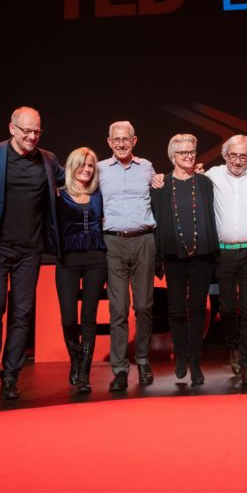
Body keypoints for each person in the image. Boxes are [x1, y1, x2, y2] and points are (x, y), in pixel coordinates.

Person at [0, 107, 64, 402]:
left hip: (30, 250)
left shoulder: (47, 160)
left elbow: (76, 178)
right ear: (12, 128)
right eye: (26, 131)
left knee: (22, 314)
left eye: (37, 131)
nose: (32, 136)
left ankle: (11, 376)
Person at [151, 134, 218, 385]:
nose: (189, 156)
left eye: (192, 152)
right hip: (174, 255)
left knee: (198, 309)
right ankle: (180, 355)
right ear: (172, 157)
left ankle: (195, 360)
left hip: (202, 254)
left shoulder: (204, 183)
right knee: (177, 309)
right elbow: (156, 218)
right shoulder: (160, 185)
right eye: (183, 153)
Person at [204, 134, 247, 386]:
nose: (238, 160)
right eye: (233, 155)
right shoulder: (212, 175)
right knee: (228, 307)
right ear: (225, 155)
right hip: (223, 253)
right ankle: (233, 346)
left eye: (243, 156)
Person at [99, 121, 157, 391]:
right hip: (113, 243)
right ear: (109, 142)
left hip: (144, 241)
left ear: (135, 140)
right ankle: (120, 369)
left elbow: (160, 192)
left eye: (126, 139)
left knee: (144, 306)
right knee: (118, 309)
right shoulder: (99, 169)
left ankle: (143, 360)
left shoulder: (147, 167)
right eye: (116, 139)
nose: (121, 143)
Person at [55, 148, 107, 393]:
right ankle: (74, 359)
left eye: (90, 166)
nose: (86, 170)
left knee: (89, 317)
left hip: (97, 259)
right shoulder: (59, 195)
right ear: (71, 167)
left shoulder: (99, 195)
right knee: (68, 317)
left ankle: (84, 372)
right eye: (82, 165)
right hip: (68, 261)